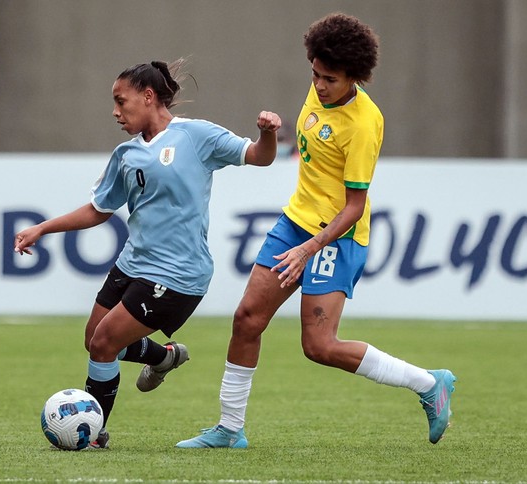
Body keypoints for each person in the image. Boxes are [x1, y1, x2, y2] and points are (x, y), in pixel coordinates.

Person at [176, 13, 456, 449]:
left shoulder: (364, 125)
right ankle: (230, 430)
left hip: (336, 237)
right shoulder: (320, 84)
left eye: (330, 79)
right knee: (247, 319)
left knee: (319, 346)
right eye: (315, 74)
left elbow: (355, 205)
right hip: (295, 223)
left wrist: (310, 248)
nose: (320, 86)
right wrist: (267, 132)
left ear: (354, 77)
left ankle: (428, 383)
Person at [14, 59, 281, 448]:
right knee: (94, 339)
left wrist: (267, 133)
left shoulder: (196, 136)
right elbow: (98, 209)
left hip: (177, 274)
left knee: (105, 343)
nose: (115, 111)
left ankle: (92, 433)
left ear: (148, 96)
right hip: (133, 263)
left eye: (121, 101)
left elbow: (260, 155)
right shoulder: (126, 154)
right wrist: (43, 227)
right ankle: (163, 357)